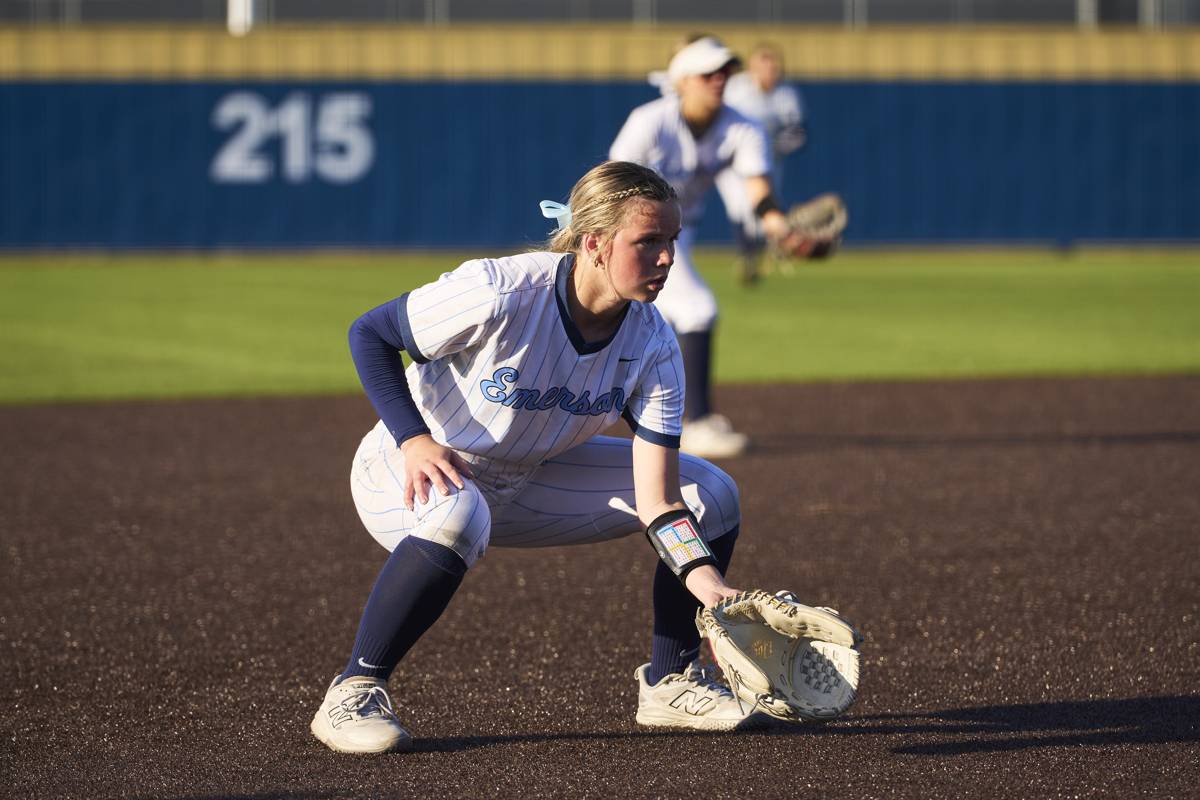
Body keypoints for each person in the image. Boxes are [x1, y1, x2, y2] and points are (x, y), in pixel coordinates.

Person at [310, 161, 757, 755]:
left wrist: (711, 588)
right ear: (594, 243)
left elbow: (661, 503)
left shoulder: (652, 342)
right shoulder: (502, 291)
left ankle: (670, 681)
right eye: (648, 241)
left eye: (672, 240)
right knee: (459, 513)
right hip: (410, 470)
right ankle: (354, 690)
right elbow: (370, 334)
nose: (668, 258)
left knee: (713, 492)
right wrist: (413, 439)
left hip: (529, 480)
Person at [610, 36, 817, 460]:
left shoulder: (743, 127)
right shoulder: (649, 121)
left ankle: (676, 417)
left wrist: (780, 229)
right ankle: (696, 422)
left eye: (724, 72)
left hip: (676, 236)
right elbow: (611, 183)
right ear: (683, 81)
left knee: (659, 318)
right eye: (708, 74)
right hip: (623, 235)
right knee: (694, 309)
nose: (719, 79)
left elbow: (759, 191)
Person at [716, 42, 808, 285]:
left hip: (767, 160)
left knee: (762, 211)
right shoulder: (735, 89)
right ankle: (748, 258)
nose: (769, 71)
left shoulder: (787, 95)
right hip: (729, 161)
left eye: (773, 66)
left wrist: (772, 147)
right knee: (739, 208)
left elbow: (798, 133)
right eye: (763, 65)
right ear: (752, 67)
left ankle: (767, 251)